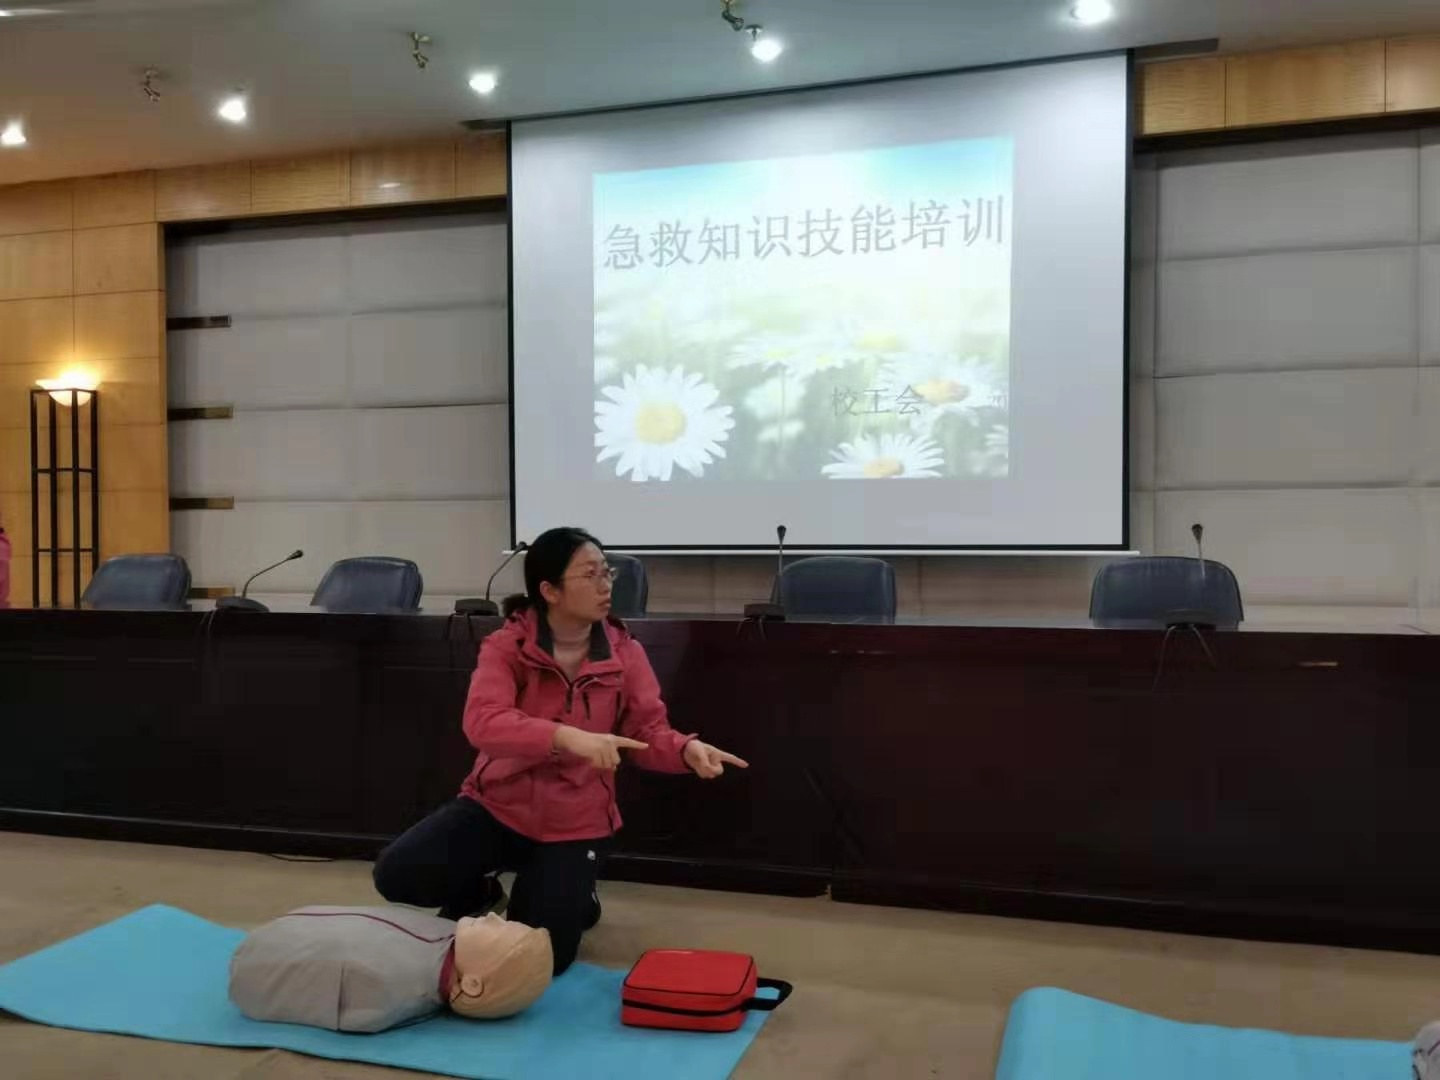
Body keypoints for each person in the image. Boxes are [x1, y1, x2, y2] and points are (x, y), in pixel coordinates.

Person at [373, 526, 748, 975]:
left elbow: (647, 732)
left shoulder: (625, 652)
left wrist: (685, 750)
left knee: (542, 959)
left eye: (607, 572)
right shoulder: (508, 646)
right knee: (397, 874)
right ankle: (480, 893)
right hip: (498, 805)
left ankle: (577, 892)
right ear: (549, 590)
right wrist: (566, 736)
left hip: (575, 820)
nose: (606, 585)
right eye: (590, 575)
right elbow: (483, 721)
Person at [229, 906, 552, 1032]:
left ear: (472, 985)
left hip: (261, 958)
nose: (494, 917)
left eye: (501, 932)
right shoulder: (448, 932)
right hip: (279, 934)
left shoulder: (386, 988)